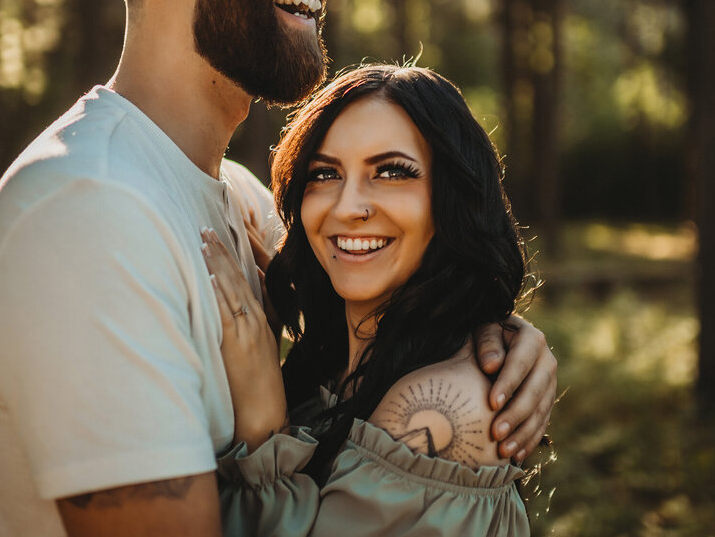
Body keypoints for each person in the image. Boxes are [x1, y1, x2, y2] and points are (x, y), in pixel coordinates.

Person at [0, 0, 556, 537]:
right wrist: (261, 430)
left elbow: (396, 289)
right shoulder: (87, 207)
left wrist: (498, 342)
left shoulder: (238, 199)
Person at [205, 64, 536, 535]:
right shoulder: (333, 361)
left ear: (451, 199)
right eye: (324, 174)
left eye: (392, 172)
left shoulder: (437, 413)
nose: (346, 207)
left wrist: (262, 430)